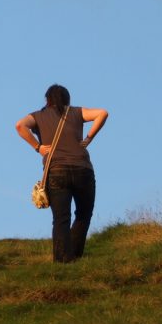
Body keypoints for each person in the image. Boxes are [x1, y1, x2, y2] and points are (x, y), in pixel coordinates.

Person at [16, 84, 109, 263]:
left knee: (61, 218)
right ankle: (74, 254)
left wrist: (38, 147)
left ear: (47, 100)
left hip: (56, 171)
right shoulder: (77, 112)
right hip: (83, 169)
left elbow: (20, 126)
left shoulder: (38, 115)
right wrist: (89, 138)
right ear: (67, 99)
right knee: (84, 213)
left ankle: (63, 260)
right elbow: (102, 113)